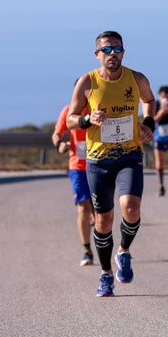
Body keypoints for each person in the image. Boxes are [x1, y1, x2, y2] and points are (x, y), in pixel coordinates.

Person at [66, 30, 156, 297]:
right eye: (106, 50)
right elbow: (71, 118)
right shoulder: (87, 82)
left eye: (117, 49)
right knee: (103, 222)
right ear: (97, 54)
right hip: (98, 160)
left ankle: (124, 251)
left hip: (129, 154)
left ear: (124, 52)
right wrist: (87, 120)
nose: (112, 54)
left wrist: (148, 123)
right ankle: (105, 274)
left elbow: (149, 101)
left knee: (131, 206)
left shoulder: (136, 78)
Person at [53, 98, 94, 267]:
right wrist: (60, 145)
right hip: (77, 166)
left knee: (100, 212)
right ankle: (87, 251)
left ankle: (102, 245)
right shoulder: (69, 110)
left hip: (100, 164)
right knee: (83, 207)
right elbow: (56, 134)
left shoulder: (99, 109)